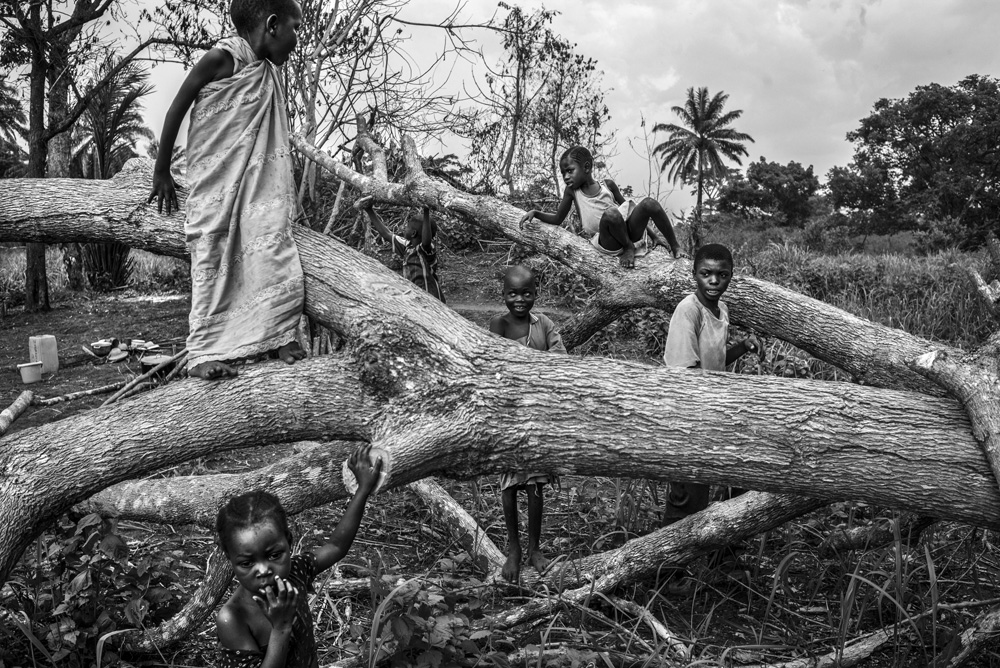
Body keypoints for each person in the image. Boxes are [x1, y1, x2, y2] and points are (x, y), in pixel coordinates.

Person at [147, 0, 307, 380]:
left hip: (255, 187)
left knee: (272, 244)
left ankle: (278, 335)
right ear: (271, 25)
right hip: (215, 183)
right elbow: (176, 110)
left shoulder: (265, 73)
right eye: (295, 27)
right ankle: (203, 351)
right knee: (212, 253)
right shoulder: (219, 59)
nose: (298, 38)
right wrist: (161, 170)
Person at [215, 444, 383, 668]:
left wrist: (362, 490)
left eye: (274, 555)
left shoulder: (295, 572)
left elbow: (335, 546)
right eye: (247, 563)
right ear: (230, 560)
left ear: (289, 543)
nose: (263, 570)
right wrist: (281, 628)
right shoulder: (233, 618)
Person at [661, 243, 760, 522]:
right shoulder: (688, 311)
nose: (714, 281)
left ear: (731, 276)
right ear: (694, 274)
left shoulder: (722, 309)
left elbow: (713, 362)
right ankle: (670, 564)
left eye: (722, 274)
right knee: (687, 495)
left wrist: (742, 346)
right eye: (706, 273)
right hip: (688, 414)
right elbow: (685, 375)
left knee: (730, 482)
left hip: (712, 409)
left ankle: (720, 555)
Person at [487, 265, 564, 582]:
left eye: (527, 293)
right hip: (509, 415)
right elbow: (493, 365)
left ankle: (534, 548)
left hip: (538, 416)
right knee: (510, 484)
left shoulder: (543, 323)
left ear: (536, 294)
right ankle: (514, 548)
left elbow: (561, 358)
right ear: (504, 295)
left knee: (535, 484)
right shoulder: (498, 324)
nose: (520, 299)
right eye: (513, 293)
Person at [519, 146, 681, 268]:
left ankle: (675, 247)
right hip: (607, 240)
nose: (566, 177)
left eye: (569, 171)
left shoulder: (607, 185)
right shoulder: (572, 192)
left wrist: (654, 237)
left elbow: (629, 210)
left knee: (648, 204)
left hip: (626, 231)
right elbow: (557, 218)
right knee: (611, 213)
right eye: (563, 173)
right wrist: (536, 213)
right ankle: (628, 248)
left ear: (587, 167)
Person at [359, 199, 445, 302]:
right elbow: (386, 234)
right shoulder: (407, 246)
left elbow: (426, 241)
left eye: (407, 227)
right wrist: (369, 210)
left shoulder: (427, 250)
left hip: (432, 298)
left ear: (413, 233)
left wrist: (426, 211)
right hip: (417, 297)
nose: (404, 228)